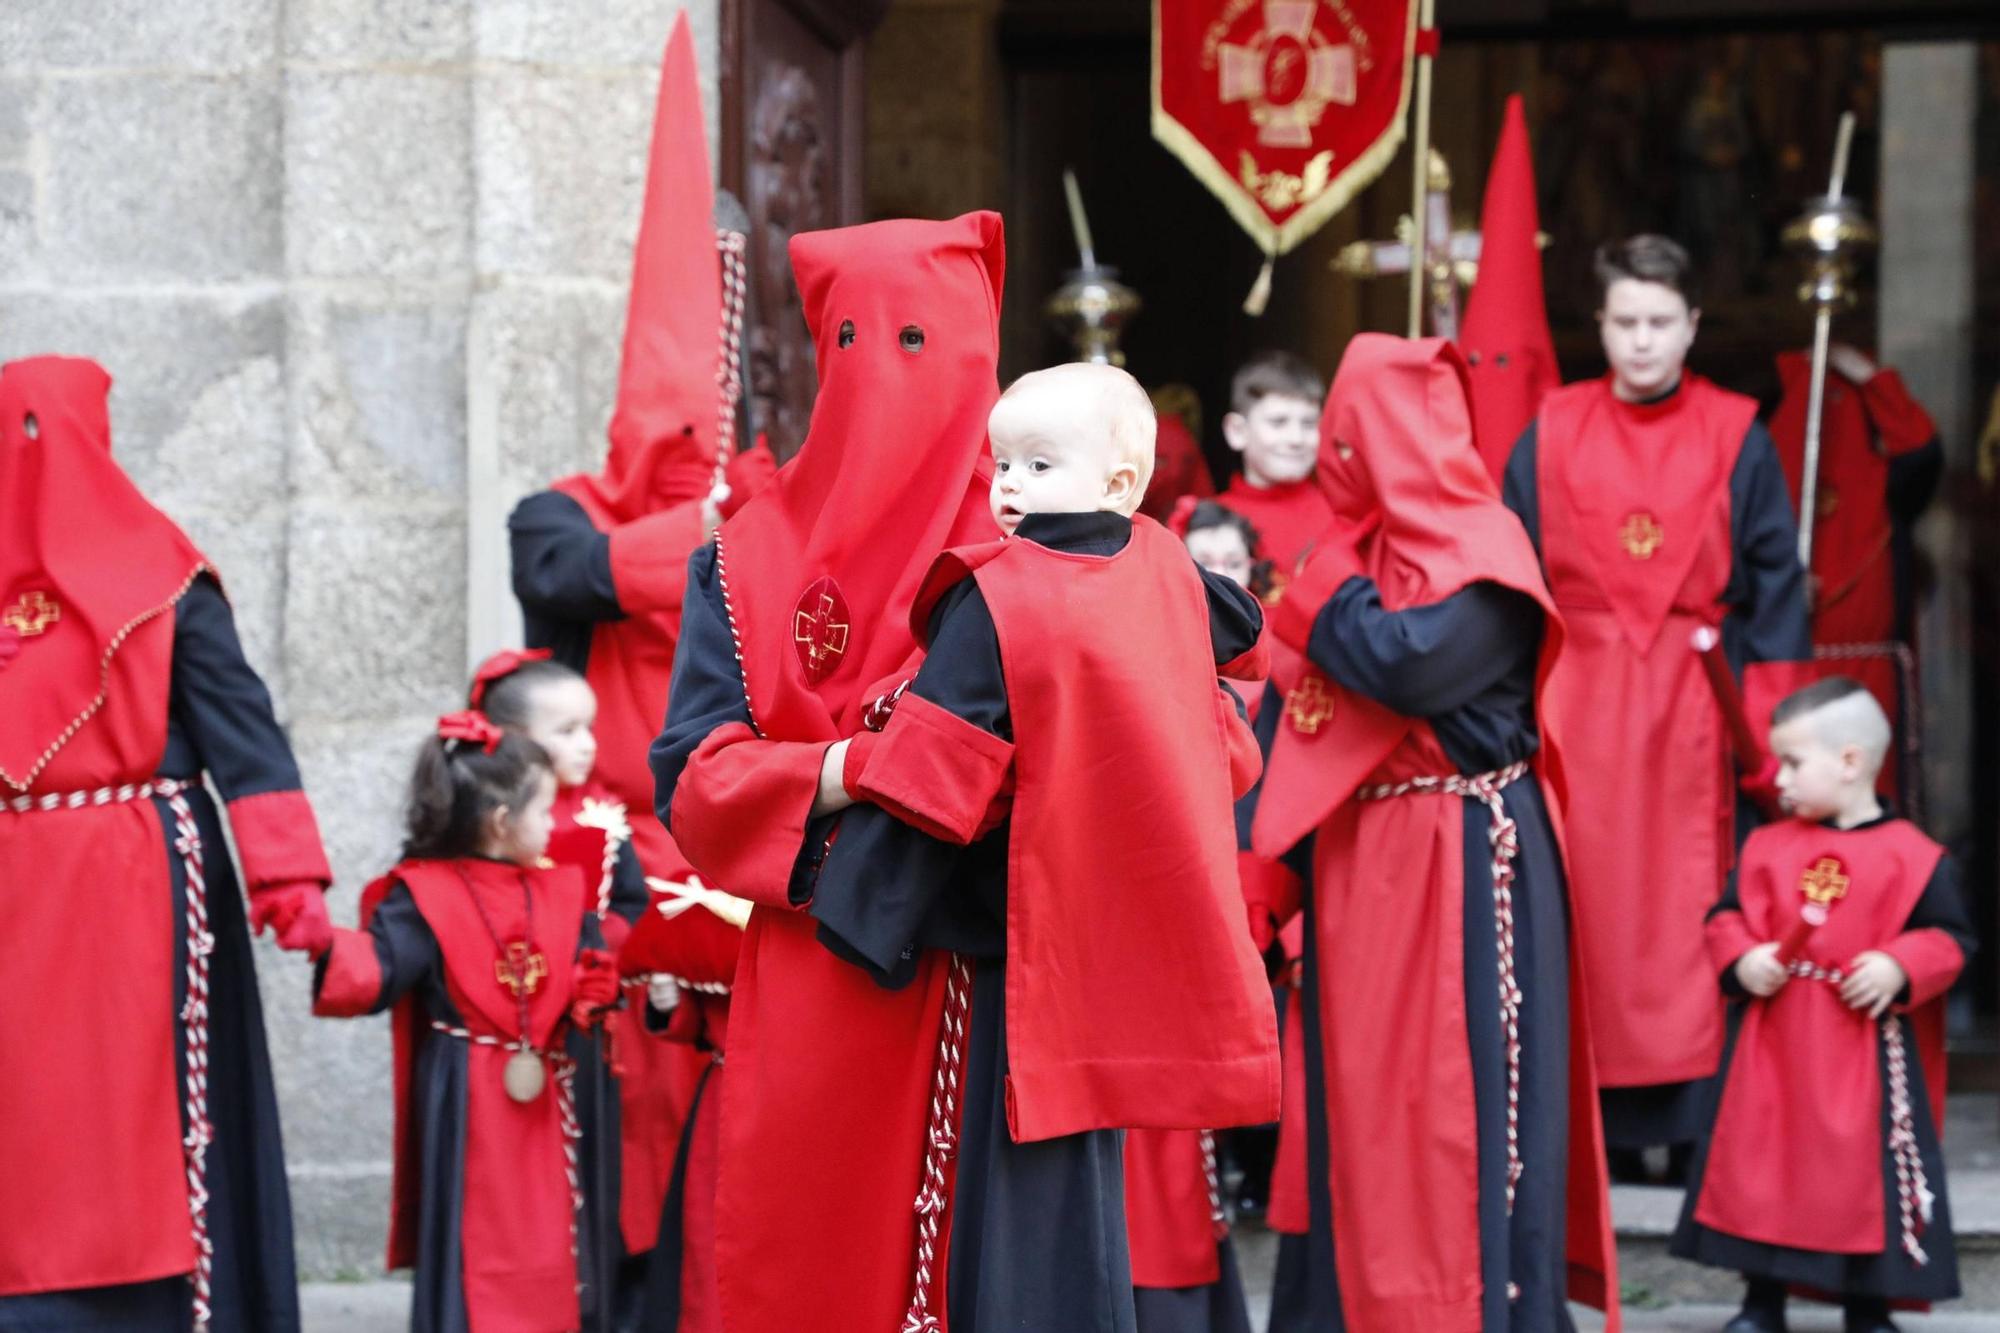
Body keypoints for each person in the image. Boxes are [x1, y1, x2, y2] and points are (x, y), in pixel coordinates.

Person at [825, 362, 1277, 1333]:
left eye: (1037, 462)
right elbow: (1238, 628)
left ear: (1116, 482)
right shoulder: (1160, 562)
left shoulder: (996, 596)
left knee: (1004, 1162)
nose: (1010, 485)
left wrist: (857, 910)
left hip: (1014, 918)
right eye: (1000, 463)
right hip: (1124, 906)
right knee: (1083, 1170)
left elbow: (933, 767)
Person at [649, 212, 1014, 1333]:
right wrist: (856, 766)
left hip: (1001, 976)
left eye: (921, 344)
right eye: (857, 342)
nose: (887, 375)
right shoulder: (740, 558)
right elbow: (696, 777)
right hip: (821, 966)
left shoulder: (1042, 526)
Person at [1256, 335, 1619, 1331]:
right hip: (1364, 865)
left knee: (1466, 1112)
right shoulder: (1366, 557)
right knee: (1365, 1114)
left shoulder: (1485, 547)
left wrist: (1320, 586)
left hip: (1468, 855)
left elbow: (1406, 664)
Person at [504, 15, 767, 1301]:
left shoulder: (762, 514)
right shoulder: (558, 510)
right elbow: (563, 576)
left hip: (721, 846)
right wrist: (703, 526)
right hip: (598, 858)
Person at [0, 354, 331, 1333]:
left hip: (139, 889)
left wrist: (288, 877)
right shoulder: (166, 568)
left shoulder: (165, 576)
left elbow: (241, 735)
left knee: (136, 1119)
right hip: (79, 881)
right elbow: (249, 734)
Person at [1503, 234, 1810, 1172]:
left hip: (1695, 699)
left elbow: (1774, 587)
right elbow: (1510, 579)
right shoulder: (1550, 428)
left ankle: (1688, 1129)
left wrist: (1775, 733)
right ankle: (1588, 1127)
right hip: (1574, 699)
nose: (1641, 341)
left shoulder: (1736, 430)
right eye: (1625, 323)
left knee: (1686, 902)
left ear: (1691, 327)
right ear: (1600, 326)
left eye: (1660, 323)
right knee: (1584, 902)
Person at [1672, 677, 1972, 1333]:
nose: (1776, 777)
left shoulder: (1915, 857)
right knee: (1764, 1170)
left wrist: (1900, 962)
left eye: (1793, 761)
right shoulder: (1766, 847)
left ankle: (1866, 1305)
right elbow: (1725, 918)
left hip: (1863, 1051)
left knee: (1860, 1176)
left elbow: (1950, 939)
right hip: (1773, 1047)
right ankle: (1762, 1302)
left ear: (1850, 761)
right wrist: (1744, 956)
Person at [313, 714, 621, 1332]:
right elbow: (374, 972)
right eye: (544, 810)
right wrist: (315, 935)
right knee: (472, 1240)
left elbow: (591, 969)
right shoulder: (422, 893)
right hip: (468, 1099)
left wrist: (593, 991)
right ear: (503, 822)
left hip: (552, 1098)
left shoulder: (563, 890)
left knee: (557, 1236)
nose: (555, 824)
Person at [1770, 344, 1941, 649]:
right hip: (1789, 662)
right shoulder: (1767, 477)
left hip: (1871, 664)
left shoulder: (1887, 485)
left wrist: (1870, 378)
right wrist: (1773, 588)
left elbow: (1920, 451)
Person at [1217, 351, 1332, 577]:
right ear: (1237, 431)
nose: (1296, 439)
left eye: (1309, 424)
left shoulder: (1339, 516)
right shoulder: (1208, 521)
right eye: (1278, 422)